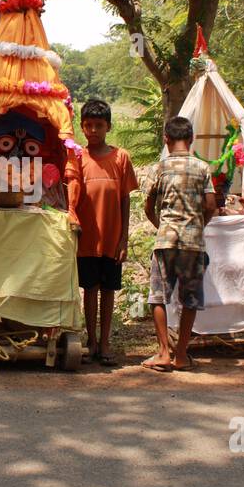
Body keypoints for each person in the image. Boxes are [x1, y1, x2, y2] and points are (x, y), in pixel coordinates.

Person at [142, 116, 215, 371]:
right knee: (189, 299)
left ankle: (163, 352)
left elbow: (148, 206)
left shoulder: (159, 168)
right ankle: (181, 354)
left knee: (158, 297)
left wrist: (160, 227)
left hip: (166, 241)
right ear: (191, 139)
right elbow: (210, 205)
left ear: (166, 140)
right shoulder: (203, 168)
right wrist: (198, 226)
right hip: (193, 244)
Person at [76, 100, 139, 366]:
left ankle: (105, 343)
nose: (93, 130)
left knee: (109, 291)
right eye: (88, 125)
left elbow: (125, 200)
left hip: (112, 238)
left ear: (108, 127)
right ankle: (90, 341)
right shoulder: (77, 157)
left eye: (98, 125)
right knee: (89, 289)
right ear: (82, 127)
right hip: (85, 239)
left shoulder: (121, 157)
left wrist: (123, 238)